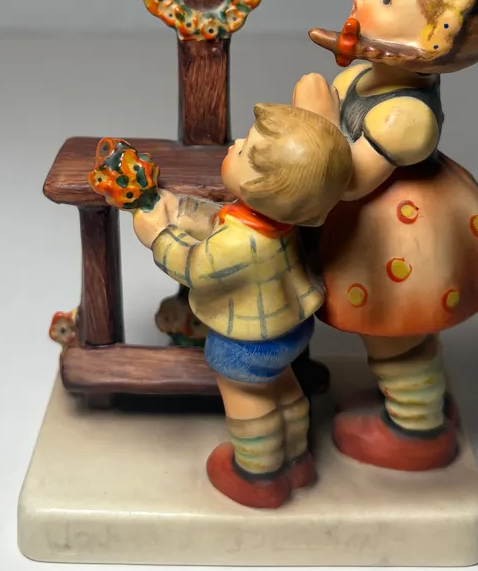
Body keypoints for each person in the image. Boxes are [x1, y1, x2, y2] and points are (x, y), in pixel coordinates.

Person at [294, 0, 478, 471]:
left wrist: (315, 119)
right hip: (369, 222)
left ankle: (417, 428)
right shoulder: (367, 75)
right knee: (387, 335)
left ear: (426, 44)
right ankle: (406, 401)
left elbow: (351, 181)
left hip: (396, 234)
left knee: (395, 334)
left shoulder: (405, 117)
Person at [132, 103, 352, 509]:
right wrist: (177, 208)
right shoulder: (280, 220)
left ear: (264, 187)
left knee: (247, 400)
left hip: (247, 344)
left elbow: (194, 266)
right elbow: (221, 219)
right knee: (285, 389)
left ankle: (258, 475)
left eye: (246, 149)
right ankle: (297, 459)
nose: (235, 142)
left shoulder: (239, 243)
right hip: (291, 329)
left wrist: (158, 236)